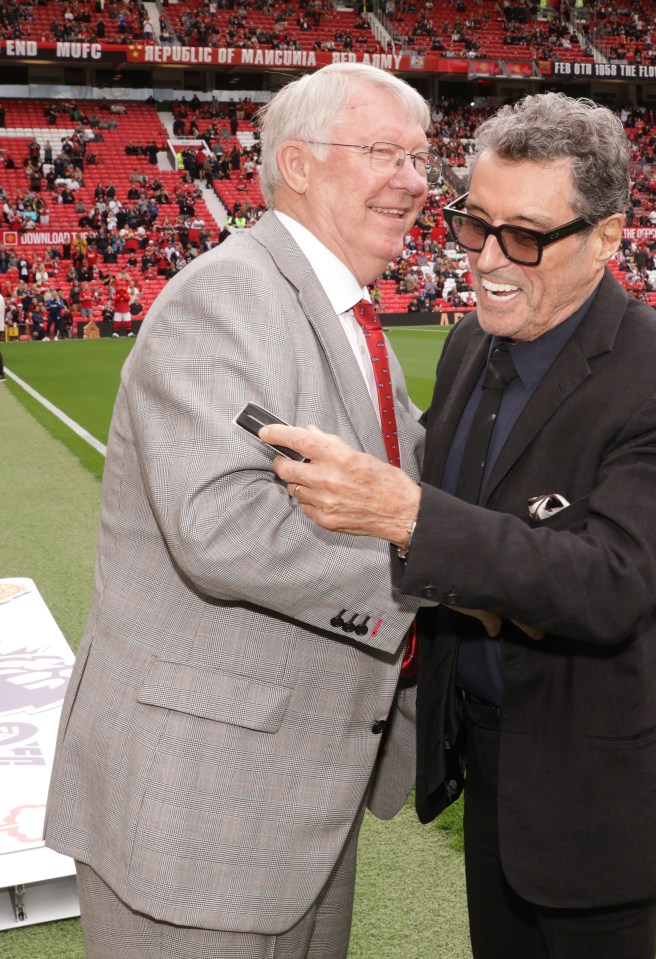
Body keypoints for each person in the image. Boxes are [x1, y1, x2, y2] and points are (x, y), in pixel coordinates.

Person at [260, 93, 656, 959]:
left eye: (527, 236)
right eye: (476, 225)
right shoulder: (474, 342)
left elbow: (610, 585)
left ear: (609, 237)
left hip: (590, 787)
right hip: (486, 760)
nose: (487, 260)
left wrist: (406, 513)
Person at [44, 62, 440, 959]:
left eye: (421, 159)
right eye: (385, 153)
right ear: (296, 165)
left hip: (296, 793)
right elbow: (221, 525)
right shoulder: (229, 294)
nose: (415, 181)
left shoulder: (346, 315)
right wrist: (444, 575)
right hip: (199, 809)